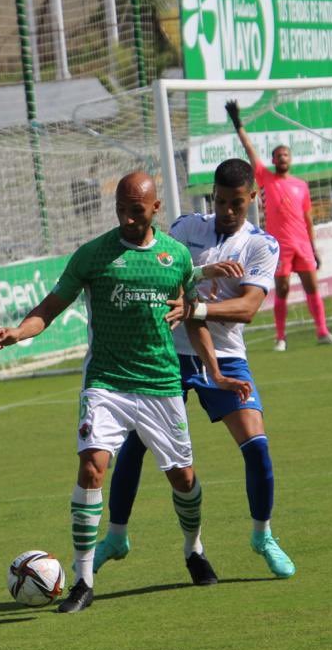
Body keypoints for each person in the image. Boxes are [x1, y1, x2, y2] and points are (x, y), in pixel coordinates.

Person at [0, 171, 249, 613]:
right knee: (92, 467)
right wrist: (19, 332)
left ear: (155, 209)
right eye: (121, 211)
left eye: (136, 211)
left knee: (183, 478)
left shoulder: (176, 257)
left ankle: (194, 549)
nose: (127, 219)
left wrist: (216, 374)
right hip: (106, 382)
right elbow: (49, 308)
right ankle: (83, 580)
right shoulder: (93, 256)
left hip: (160, 382)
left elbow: (192, 318)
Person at [93, 159, 296, 580]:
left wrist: (195, 306)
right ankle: (116, 535)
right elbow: (162, 267)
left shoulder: (261, 245)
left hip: (223, 356)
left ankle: (263, 534)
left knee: (257, 446)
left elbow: (247, 308)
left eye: (236, 203)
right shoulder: (186, 228)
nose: (226, 210)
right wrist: (200, 277)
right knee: (134, 446)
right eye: (220, 201)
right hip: (166, 353)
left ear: (252, 198)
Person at [226, 100, 332, 351]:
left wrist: (313, 247)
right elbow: (249, 150)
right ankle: (280, 337)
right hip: (279, 245)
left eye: (286, 155)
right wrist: (238, 123)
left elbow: (308, 218)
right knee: (281, 289)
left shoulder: (301, 185)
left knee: (312, 285)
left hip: (302, 244)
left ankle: (322, 331)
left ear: (290, 159)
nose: (282, 158)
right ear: (273, 159)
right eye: (278, 155)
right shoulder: (265, 178)